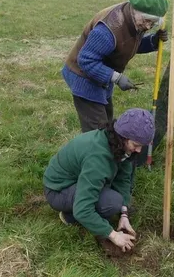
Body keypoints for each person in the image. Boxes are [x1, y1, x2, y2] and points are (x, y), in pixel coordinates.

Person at [43, 108, 155, 254]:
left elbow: (123, 179)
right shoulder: (98, 158)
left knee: (118, 202)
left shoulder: (119, 147)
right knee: (111, 202)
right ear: (123, 137)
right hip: (58, 190)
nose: (139, 151)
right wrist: (113, 235)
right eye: (136, 145)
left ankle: (86, 213)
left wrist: (124, 214)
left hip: (79, 180)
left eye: (142, 146)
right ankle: (69, 216)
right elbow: (83, 209)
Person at [62, 0, 169, 133]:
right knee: (96, 133)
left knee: (107, 124)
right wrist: (116, 78)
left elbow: (126, 44)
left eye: (153, 23)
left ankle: (108, 151)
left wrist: (152, 41)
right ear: (134, 10)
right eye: (146, 21)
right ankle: (91, 154)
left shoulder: (135, 20)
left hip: (101, 76)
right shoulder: (108, 30)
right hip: (84, 78)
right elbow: (86, 61)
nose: (148, 27)